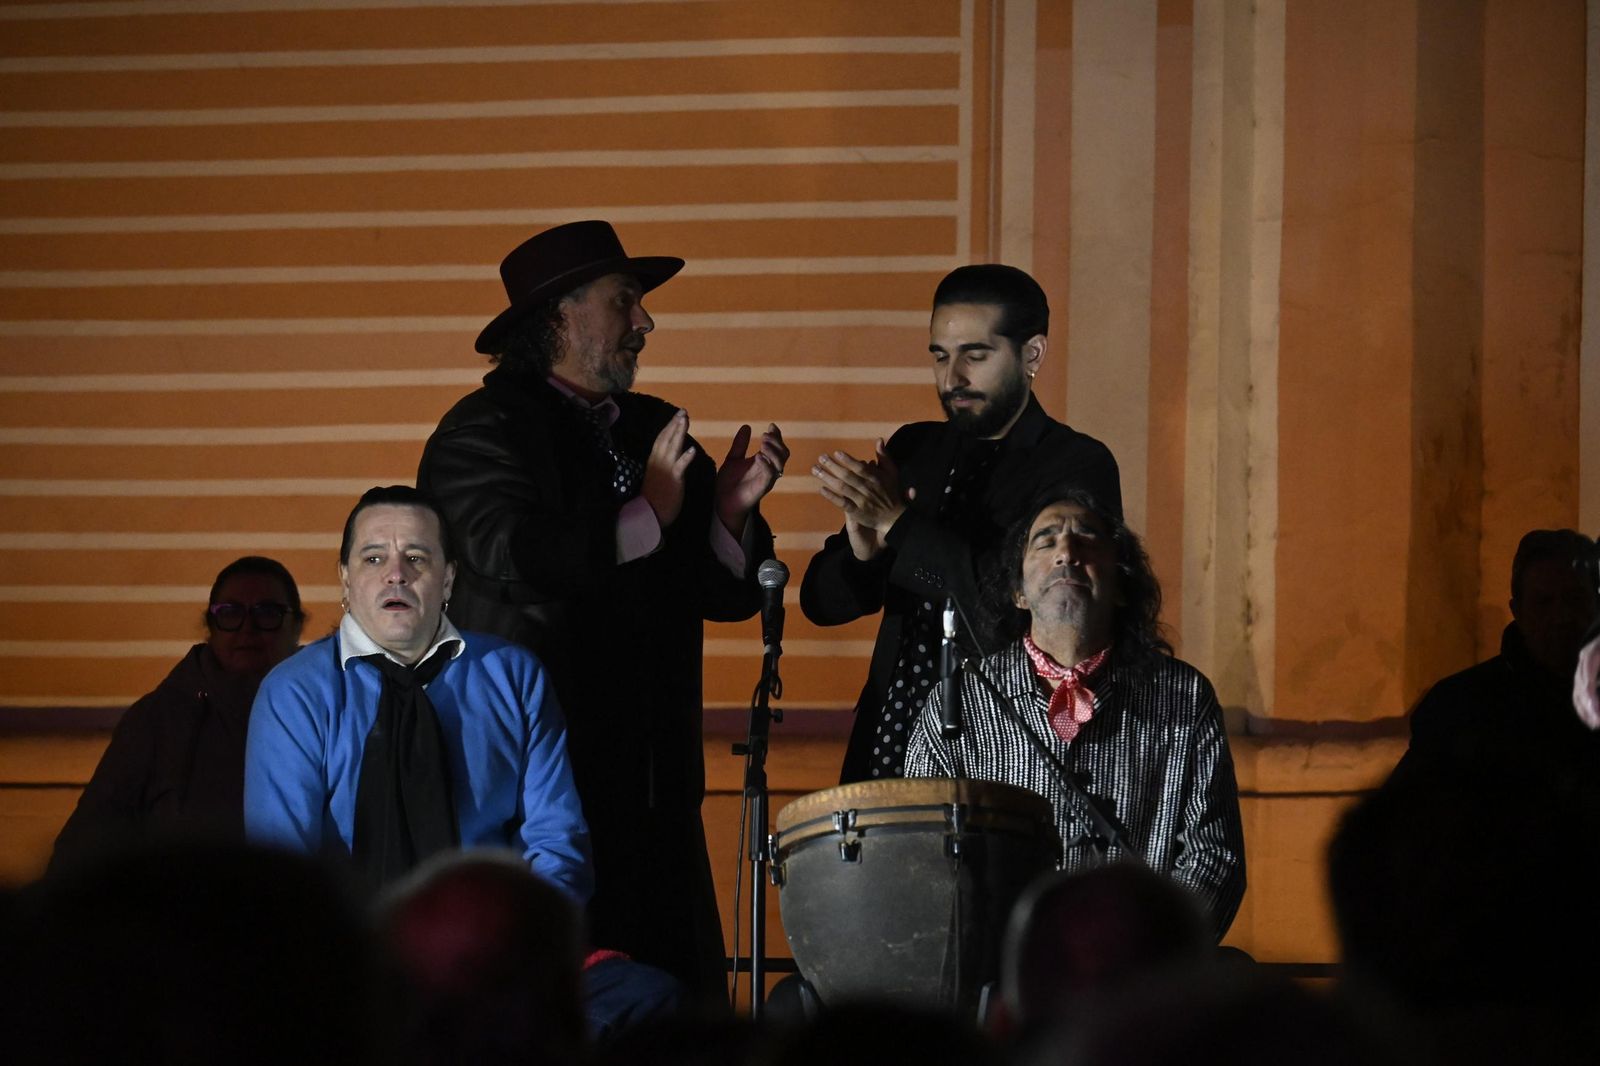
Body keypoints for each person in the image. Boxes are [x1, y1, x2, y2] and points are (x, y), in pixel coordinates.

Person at [416, 220, 788, 997]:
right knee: (550, 1005)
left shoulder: (654, 425)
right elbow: (512, 554)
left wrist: (727, 515)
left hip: (657, 788)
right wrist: (649, 509)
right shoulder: (481, 431)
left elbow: (721, 595)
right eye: (625, 301)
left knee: (673, 1008)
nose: (645, 322)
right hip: (539, 796)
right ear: (560, 314)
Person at [800, 264, 1121, 783]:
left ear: (1032, 354)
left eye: (975, 355)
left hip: (1006, 749)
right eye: (940, 356)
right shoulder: (915, 448)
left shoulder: (1076, 464)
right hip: (892, 740)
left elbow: (1019, 612)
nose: (952, 379)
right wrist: (863, 551)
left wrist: (899, 524)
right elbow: (820, 604)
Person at [902, 487, 1245, 939]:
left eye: (1087, 539)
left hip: (1140, 971)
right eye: (1045, 541)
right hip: (994, 968)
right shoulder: (959, 699)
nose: (1066, 551)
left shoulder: (1184, 695)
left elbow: (1214, 859)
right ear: (1018, 592)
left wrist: (1148, 955)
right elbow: (920, 851)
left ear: (1120, 586)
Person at [244, 486, 591, 904]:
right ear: (346, 578)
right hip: (343, 936)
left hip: (491, 931)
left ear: (448, 579)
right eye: (374, 559)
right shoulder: (294, 692)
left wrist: (525, 934)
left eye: (416, 558)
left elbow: (556, 841)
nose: (396, 575)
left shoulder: (513, 677)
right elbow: (281, 869)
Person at [49, 556, 305, 873]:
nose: (247, 628)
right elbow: (86, 844)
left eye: (267, 613)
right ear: (210, 627)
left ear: (297, 626)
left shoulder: (328, 715)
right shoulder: (157, 722)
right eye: (230, 613)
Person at [1396, 528, 1600, 804]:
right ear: (1518, 612)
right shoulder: (1460, 707)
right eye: (1544, 602)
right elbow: (1406, 814)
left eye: (1575, 599)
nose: (1561, 616)